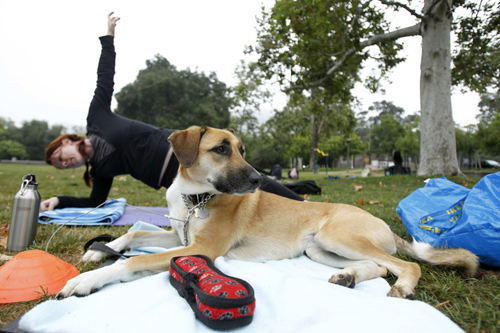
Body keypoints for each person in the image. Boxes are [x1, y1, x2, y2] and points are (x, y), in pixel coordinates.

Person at [41, 13, 302, 212]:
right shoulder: (99, 170)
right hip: (175, 181)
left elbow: (104, 79)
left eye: (60, 157)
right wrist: (58, 200)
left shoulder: (96, 119)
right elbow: (95, 200)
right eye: (61, 166)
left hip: (186, 153)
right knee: (230, 201)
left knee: (250, 180)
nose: (65, 164)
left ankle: (301, 203)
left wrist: (108, 39)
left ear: (66, 142)